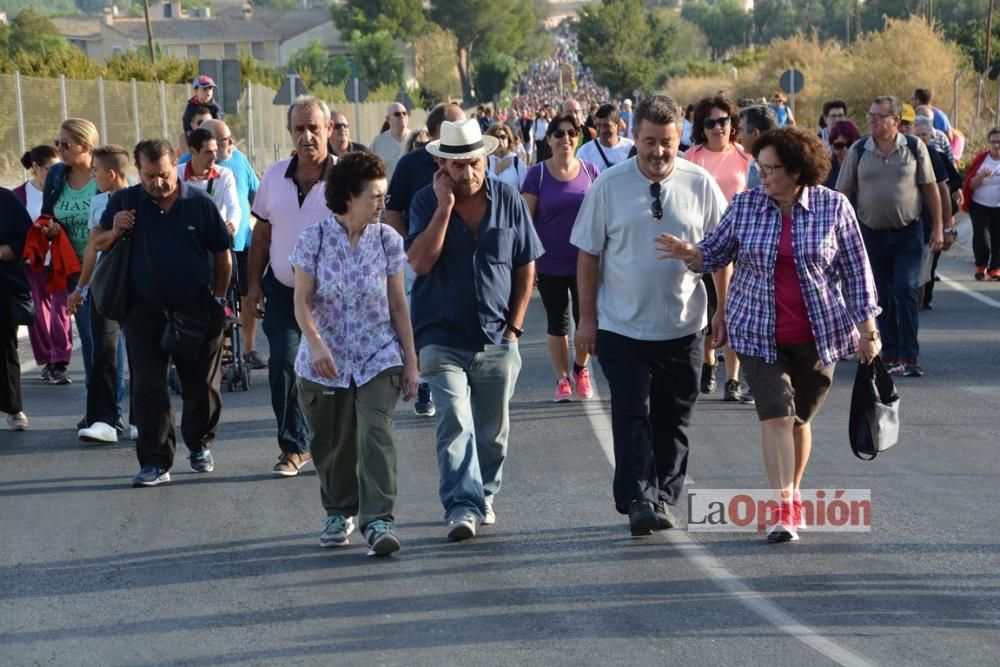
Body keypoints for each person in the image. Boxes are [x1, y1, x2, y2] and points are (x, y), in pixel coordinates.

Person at [655, 126, 882, 543]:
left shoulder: (834, 209)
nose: (762, 174)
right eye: (759, 166)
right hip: (757, 330)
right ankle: (784, 506)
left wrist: (869, 330)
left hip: (818, 334)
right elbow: (716, 250)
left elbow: (856, 272)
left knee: (800, 418)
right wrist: (692, 254)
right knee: (776, 413)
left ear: (797, 171)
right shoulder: (745, 206)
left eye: (771, 168)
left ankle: (792, 491)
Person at [570, 95, 729, 537]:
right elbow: (588, 255)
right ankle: (639, 497)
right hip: (621, 324)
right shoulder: (609, 185)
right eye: (649, 142)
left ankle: (663, 496)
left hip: (684, 325)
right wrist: (586, 320)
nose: (658, 152)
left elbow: (723, 252)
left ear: (680, 140)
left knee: (673, 417)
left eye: (667, 142)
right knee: (632, 410)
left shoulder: (699, 184)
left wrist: (723, 310)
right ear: (634, 139)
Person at [406, 119, 543, 541]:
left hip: (497, 335)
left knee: (493, 432)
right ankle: (461, 506)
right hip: (439, 335)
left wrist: (516, 328)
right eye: (458, 166)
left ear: (486, 159)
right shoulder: (425, 202)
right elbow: (419, 263)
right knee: (453, 420)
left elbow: (525, 264)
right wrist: (444, 209)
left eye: (474, 163)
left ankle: (483, 494)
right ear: (442, 166)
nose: (468, 174)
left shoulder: (508, 200)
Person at [291, 152, 419, 555]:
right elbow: (302, 301)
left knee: (375, 434)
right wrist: (315, 344)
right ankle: (339, 509)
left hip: (378, 354)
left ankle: (379, 520)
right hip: (322, 360)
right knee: (332, 444)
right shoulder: (314, 239)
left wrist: (411, 363)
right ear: (348, 196)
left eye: (385, 195)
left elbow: (398, 305)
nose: (383, 203)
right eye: (375, 196)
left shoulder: (387, 240)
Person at [92, 139, 232, 487]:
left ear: (176, 168)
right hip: (143, 311)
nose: (158, 182)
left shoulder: (199, 203)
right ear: (139, 172)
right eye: (150, 176)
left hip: (197, 309)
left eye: (165, 174)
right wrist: (115, 229)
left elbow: (222, 255)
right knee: (149, 385)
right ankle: (155, 461)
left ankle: (199, 443)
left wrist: (218, 299)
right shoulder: (126, 201)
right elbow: (96, 241)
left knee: (200, 385)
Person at [248, 96, 335, 477]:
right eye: (299, 129)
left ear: (329, 130)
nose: (307, 136)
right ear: (290, 132)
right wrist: (252, 286)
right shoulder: (273, 176)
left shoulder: (347, 178)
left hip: (333, 297)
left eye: (314, 128)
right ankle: (295, 446)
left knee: (332, 370)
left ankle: (334, 441)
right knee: (283, 362)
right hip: (283, 290)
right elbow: (262, 234)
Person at [836, 95, 943, 378]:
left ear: (895, 121)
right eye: (870, 115)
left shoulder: (914, 146)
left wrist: (938, 227)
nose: (872, 120)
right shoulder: (859, 150)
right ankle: (891, 352)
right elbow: (842, 194)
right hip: (869, 236)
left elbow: (931, 188)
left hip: (908, 233)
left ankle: (910, 355)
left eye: (879, 116)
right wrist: (834, 233)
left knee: (906, 287)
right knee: (880, 296)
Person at [384, 103, 466, 418]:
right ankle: (425, 383)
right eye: (452, 127)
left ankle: (459, 375)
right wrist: (410, 246)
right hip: (419, 258)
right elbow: (393, 211)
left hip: (459, 259)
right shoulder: (410, 165)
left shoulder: (470, 162)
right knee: (421, 318)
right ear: (433, 134)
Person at [521, 113, 599, 402]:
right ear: (549, 140)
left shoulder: (591, 171)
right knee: (558, 322)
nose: (566, 138)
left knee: (585, 318)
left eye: (571, 133)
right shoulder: (537, 175)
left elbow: (601, 217)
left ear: (577, 138)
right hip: (549, 262)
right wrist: (529, 263)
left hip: (586, 263)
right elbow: (525, 223)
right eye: (559, 134)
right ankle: (562, 378)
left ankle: (581, 369)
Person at [684, 95, 752, 403]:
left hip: (740, 243)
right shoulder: (692, 157)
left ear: (732, 124)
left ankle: (733, 379)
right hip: (705, 245)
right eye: (710, 123)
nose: (717, 128)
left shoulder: (744, 156)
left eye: (722, 121)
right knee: (711, 309)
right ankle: (710, 365)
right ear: (702, 127)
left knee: (734, 311)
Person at [72, 145, 134, 444]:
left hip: (136, 288)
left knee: (141, 354)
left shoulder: (140, 199)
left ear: (111, 173)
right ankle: (103, 420)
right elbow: (93, 245)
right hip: (104, 287)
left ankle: (142, 419)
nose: (93, 174)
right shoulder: (98, 202)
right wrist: (82, 287)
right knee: (103, 353)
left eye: (96, 170)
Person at [200, 119, 265, 369]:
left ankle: (248, 349)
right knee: (219, 297)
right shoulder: (188, 164)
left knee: (247, 294)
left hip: (241, 242)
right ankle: (222, 350)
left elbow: (256, 195)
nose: (231, 143)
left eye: (230, 138)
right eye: (225, 139)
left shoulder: (239, 160)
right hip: (207, 249)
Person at [41, 118, 99, 389]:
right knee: (88, 338)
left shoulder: (104, 173)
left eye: (66, 144)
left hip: (105, 266)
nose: (60, 149)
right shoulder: (56, 175)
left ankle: (118, 409)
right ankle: (97, 406)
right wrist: (50, 230)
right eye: (57, 143)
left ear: (86, 145)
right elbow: (47, 215)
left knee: (112, 338)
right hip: (74, 268)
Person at [12, 145, 69, 383]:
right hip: (32, 262)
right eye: (50, 168)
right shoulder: (19, 195)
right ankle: (47, 359)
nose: (56, 173)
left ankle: (60, 360)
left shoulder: (62, 190)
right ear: (35, 168)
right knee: (38, 313)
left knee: (61, 310)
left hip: (59, 260)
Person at [1, 187, 33, 431]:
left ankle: (13, 408)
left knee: (5, 348)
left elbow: (26, 237)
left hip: (3, 286)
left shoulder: (6, 199)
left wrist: (4, 252)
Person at [182, 128, 241, 238]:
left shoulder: (225, 175)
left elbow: (233, 207)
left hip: (215, 237)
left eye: (215, 151)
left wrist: (232, 223)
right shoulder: (177, 174)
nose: (214, 156)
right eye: (208, 152)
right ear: (193, 151)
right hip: (186, 238)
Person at [960, 126, 1000, 281]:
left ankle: (995, 269)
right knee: (982, 238)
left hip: (998, 207)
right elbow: (969, 185)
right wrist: (982, 176)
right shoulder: (981, 159)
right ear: (988, 143)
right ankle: (981, 266)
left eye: (999, 142)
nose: (996, 145)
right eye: (993, 142)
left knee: (998, 238)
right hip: (979, 205)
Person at [576, 103, 635, 173]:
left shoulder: (631, 148)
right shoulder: (585, 152)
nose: (602, 130)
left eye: (606, 125)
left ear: (618, 125)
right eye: (598, 125)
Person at [369, 102, 413, 180]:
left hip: (412, 191)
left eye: (404, 113)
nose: (402, 116)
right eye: (397, 114)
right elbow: (370, 168)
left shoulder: (415, 139)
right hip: (388, 190)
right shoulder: (378, 142)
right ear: (388, 119)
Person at [737, 105, 777, 189]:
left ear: (755, 133)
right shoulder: (753, 163)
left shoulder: (782, 164)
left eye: (741, 130)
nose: (739, 137)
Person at [485, 124, 527, 191]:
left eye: (503, 137)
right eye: (496, 137)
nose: (499, 140)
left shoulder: (517, 162)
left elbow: (525, 191)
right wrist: (496, 172)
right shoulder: (485, 162)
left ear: (508, 140)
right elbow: (484, 190)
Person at [825, 120, 861, 190]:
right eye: (839, 145)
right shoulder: (825, 169)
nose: (845, 150)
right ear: (832, 147)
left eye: (850, 144)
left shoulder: (865, 165)